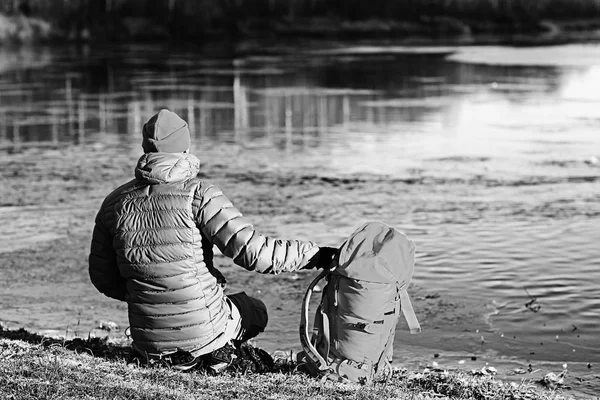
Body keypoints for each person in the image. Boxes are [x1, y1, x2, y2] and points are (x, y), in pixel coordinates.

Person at [89, 109, 336, 370]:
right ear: (185, 148)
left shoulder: (114, 203)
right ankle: (218, 351)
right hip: (203, 333)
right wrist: (315, 255)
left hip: (146, 342)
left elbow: (102, 278)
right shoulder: (199, 194)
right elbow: (255, 254)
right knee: (256, 311)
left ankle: (187, 353)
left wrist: (147, 296)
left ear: (146, 148)